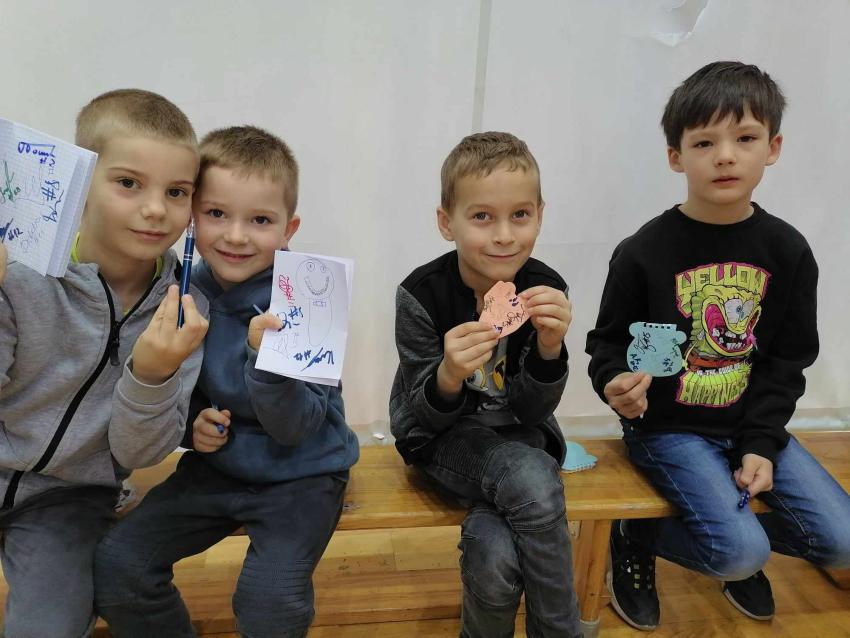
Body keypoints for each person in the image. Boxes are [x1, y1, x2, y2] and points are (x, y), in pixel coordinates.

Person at [586, 61, 850, 630]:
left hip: (751, 421)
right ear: (676, 156)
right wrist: (614, 383)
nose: (725, 156)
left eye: (745, 138)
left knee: (845, 541)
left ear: (773, 147)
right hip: (669, 428)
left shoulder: (789, 251)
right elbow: (607, 345)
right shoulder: (642, 252)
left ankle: (730, 536)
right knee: (740, 552)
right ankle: (639, 534)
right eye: (705, 142)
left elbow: (787, 361)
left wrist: (760, 443)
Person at [94, 125, 359, 638]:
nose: (236, 236)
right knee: (120, 564)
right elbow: (176, 389)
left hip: (304, 474)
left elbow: (297, 428)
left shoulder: (308, 296)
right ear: (193, 216)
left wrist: (267, 361)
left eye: (260, 220)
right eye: (217, 213)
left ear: (288, 228)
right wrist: (193, 425)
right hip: (218, 469)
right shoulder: (182, 289)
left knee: (270, 602)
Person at [0, 88, 208, 637]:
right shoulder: (20, 273)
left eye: (177, 191)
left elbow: (139, 453)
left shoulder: (185, 311)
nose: (156, 209)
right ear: (82, 182)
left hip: (67, 499)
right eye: (128, 183)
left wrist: (151, 376)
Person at [390, 131, 583, 638]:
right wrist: (449, 374)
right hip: (443, 438)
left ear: (540, 215)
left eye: (520, 215)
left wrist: (549, 348)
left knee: (495, 557)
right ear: (446, 223)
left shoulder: (546, 288)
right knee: (533, 477)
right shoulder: (420, 295)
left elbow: (534, 409)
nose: (503, 236)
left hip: (519, 435)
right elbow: (423, 417)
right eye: (481, 217)